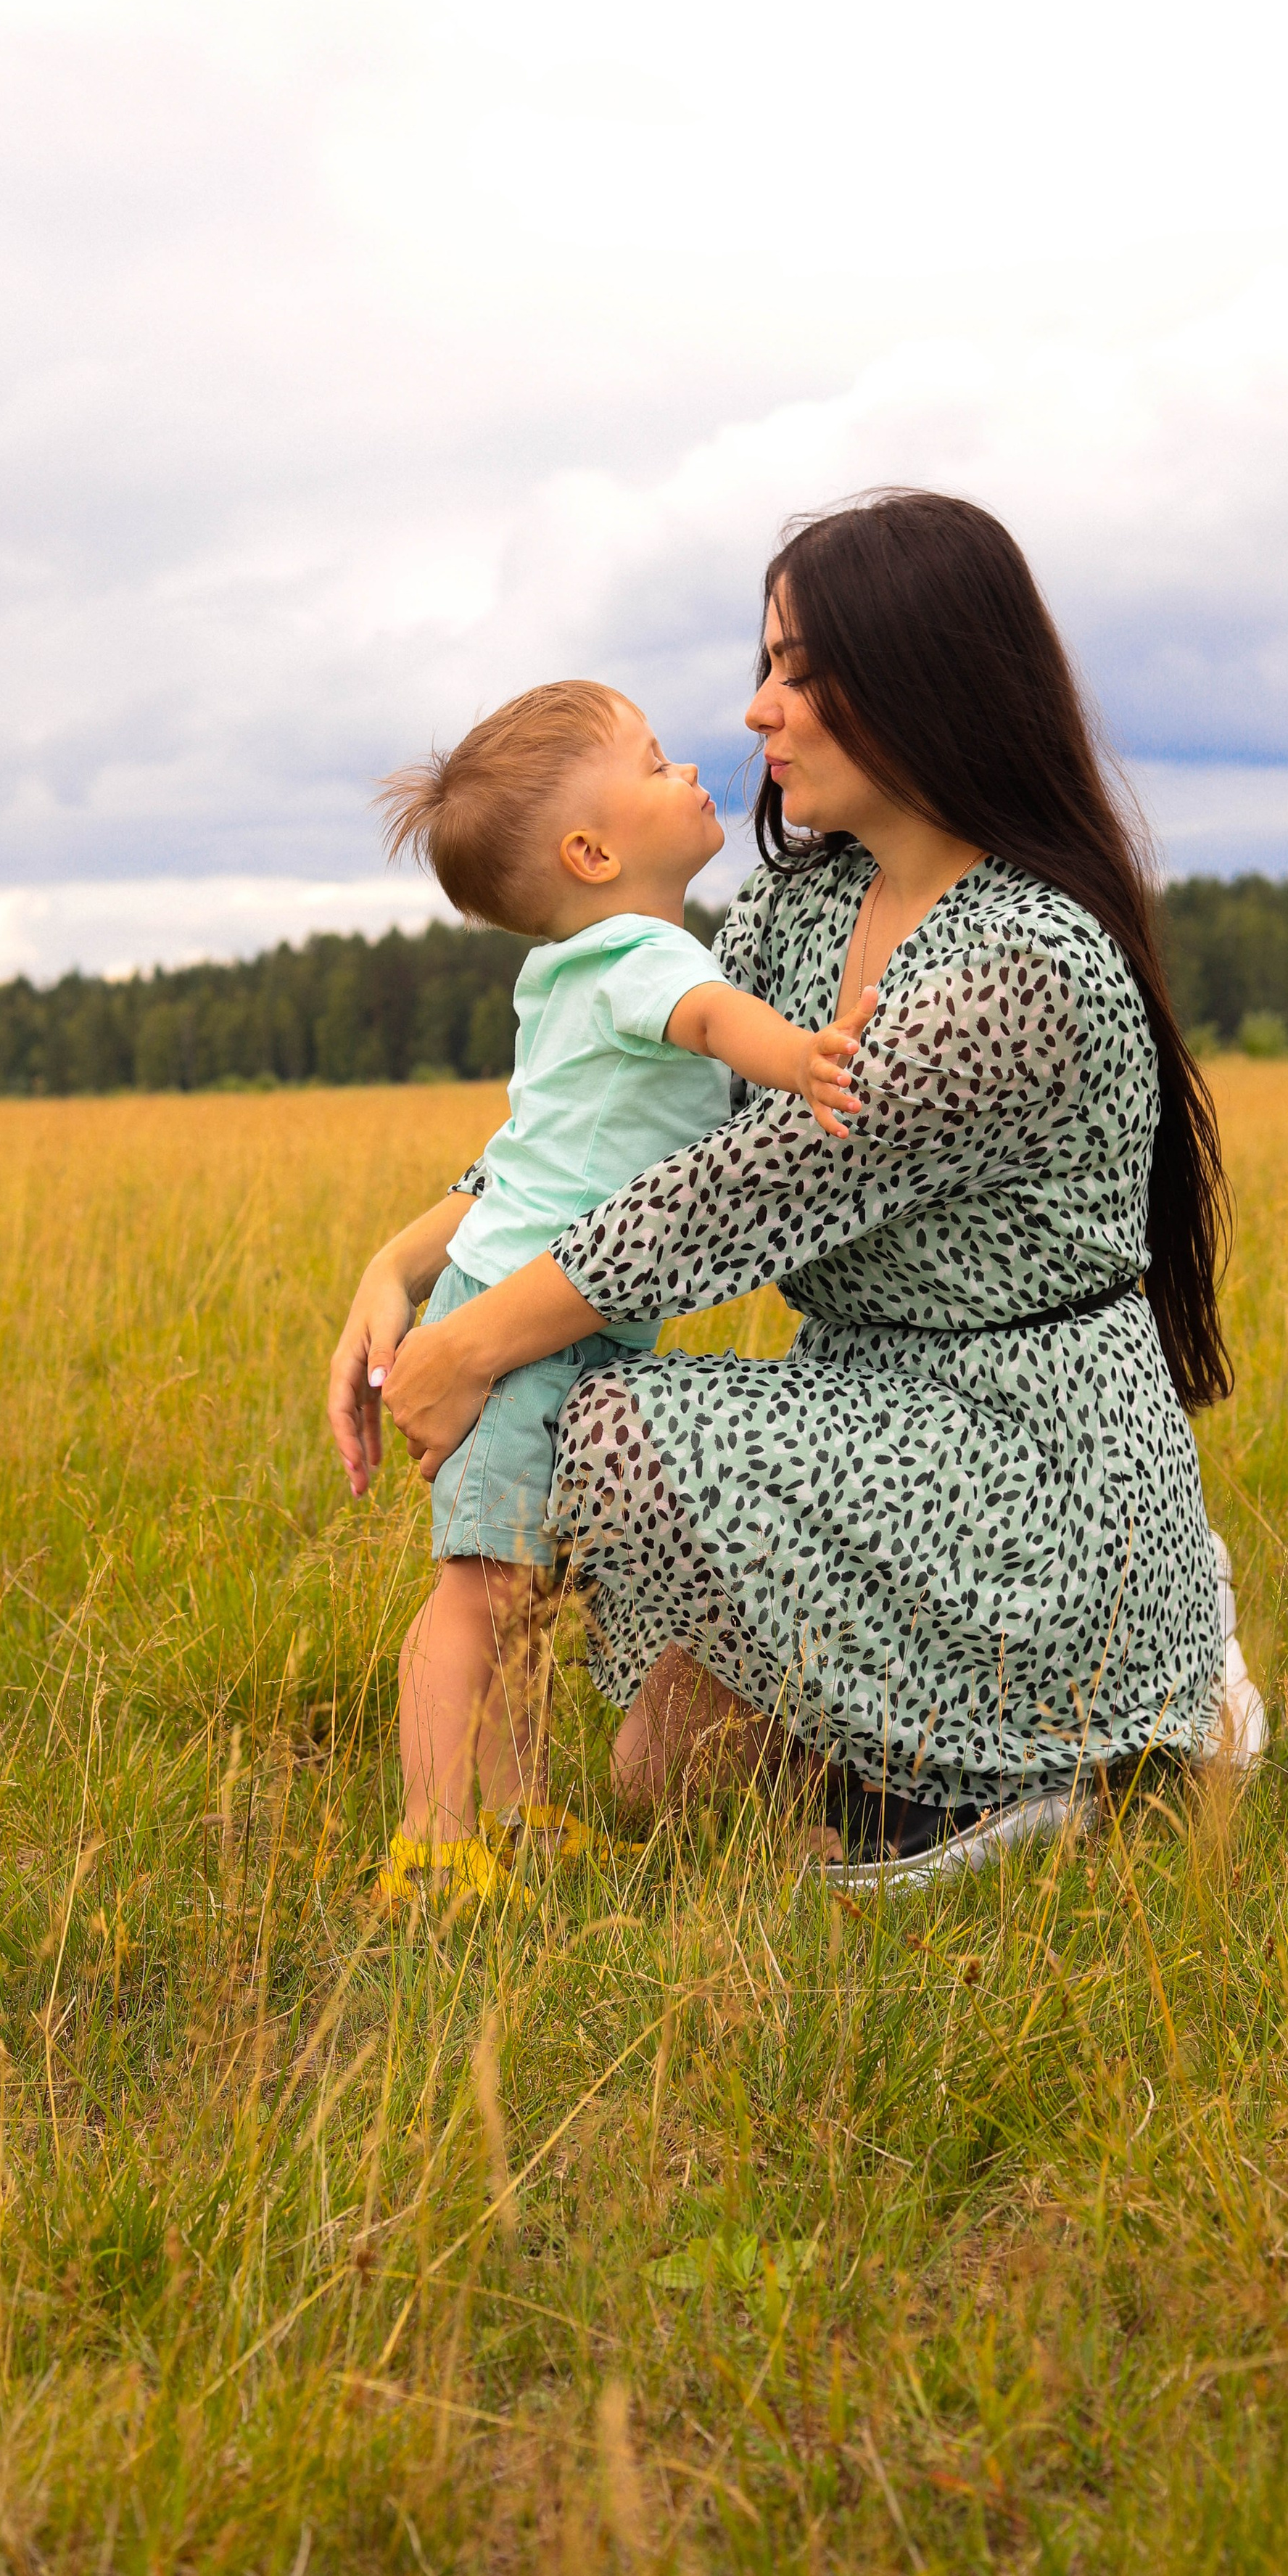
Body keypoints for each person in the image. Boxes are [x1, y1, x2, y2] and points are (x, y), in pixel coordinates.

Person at [344, 490, 1266, 1890]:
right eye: (764, 667)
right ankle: (973, 1716)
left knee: (603, 1423)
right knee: (671, 1772)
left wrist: (472, 1344)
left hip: (1027, 1456)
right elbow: (604, 1139)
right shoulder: (801, 908)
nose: (760, 711)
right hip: (871, 1409)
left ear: (917, 685)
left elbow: (727, 1199)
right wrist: (400, 1268)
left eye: (796, 671)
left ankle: (1062, 1736)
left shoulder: (1024, 965)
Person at [342, 678, 878, 1908]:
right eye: (654, 764)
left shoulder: (572, 969)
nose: (692, 771)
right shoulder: (642, 958)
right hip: (517, 1330)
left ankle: (515, 1813)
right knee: (478, 1594)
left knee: (526, 1589)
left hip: (539, 1306)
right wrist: (800, 1058)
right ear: (591, 852)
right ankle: (433, 1835)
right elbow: (705, 1018)